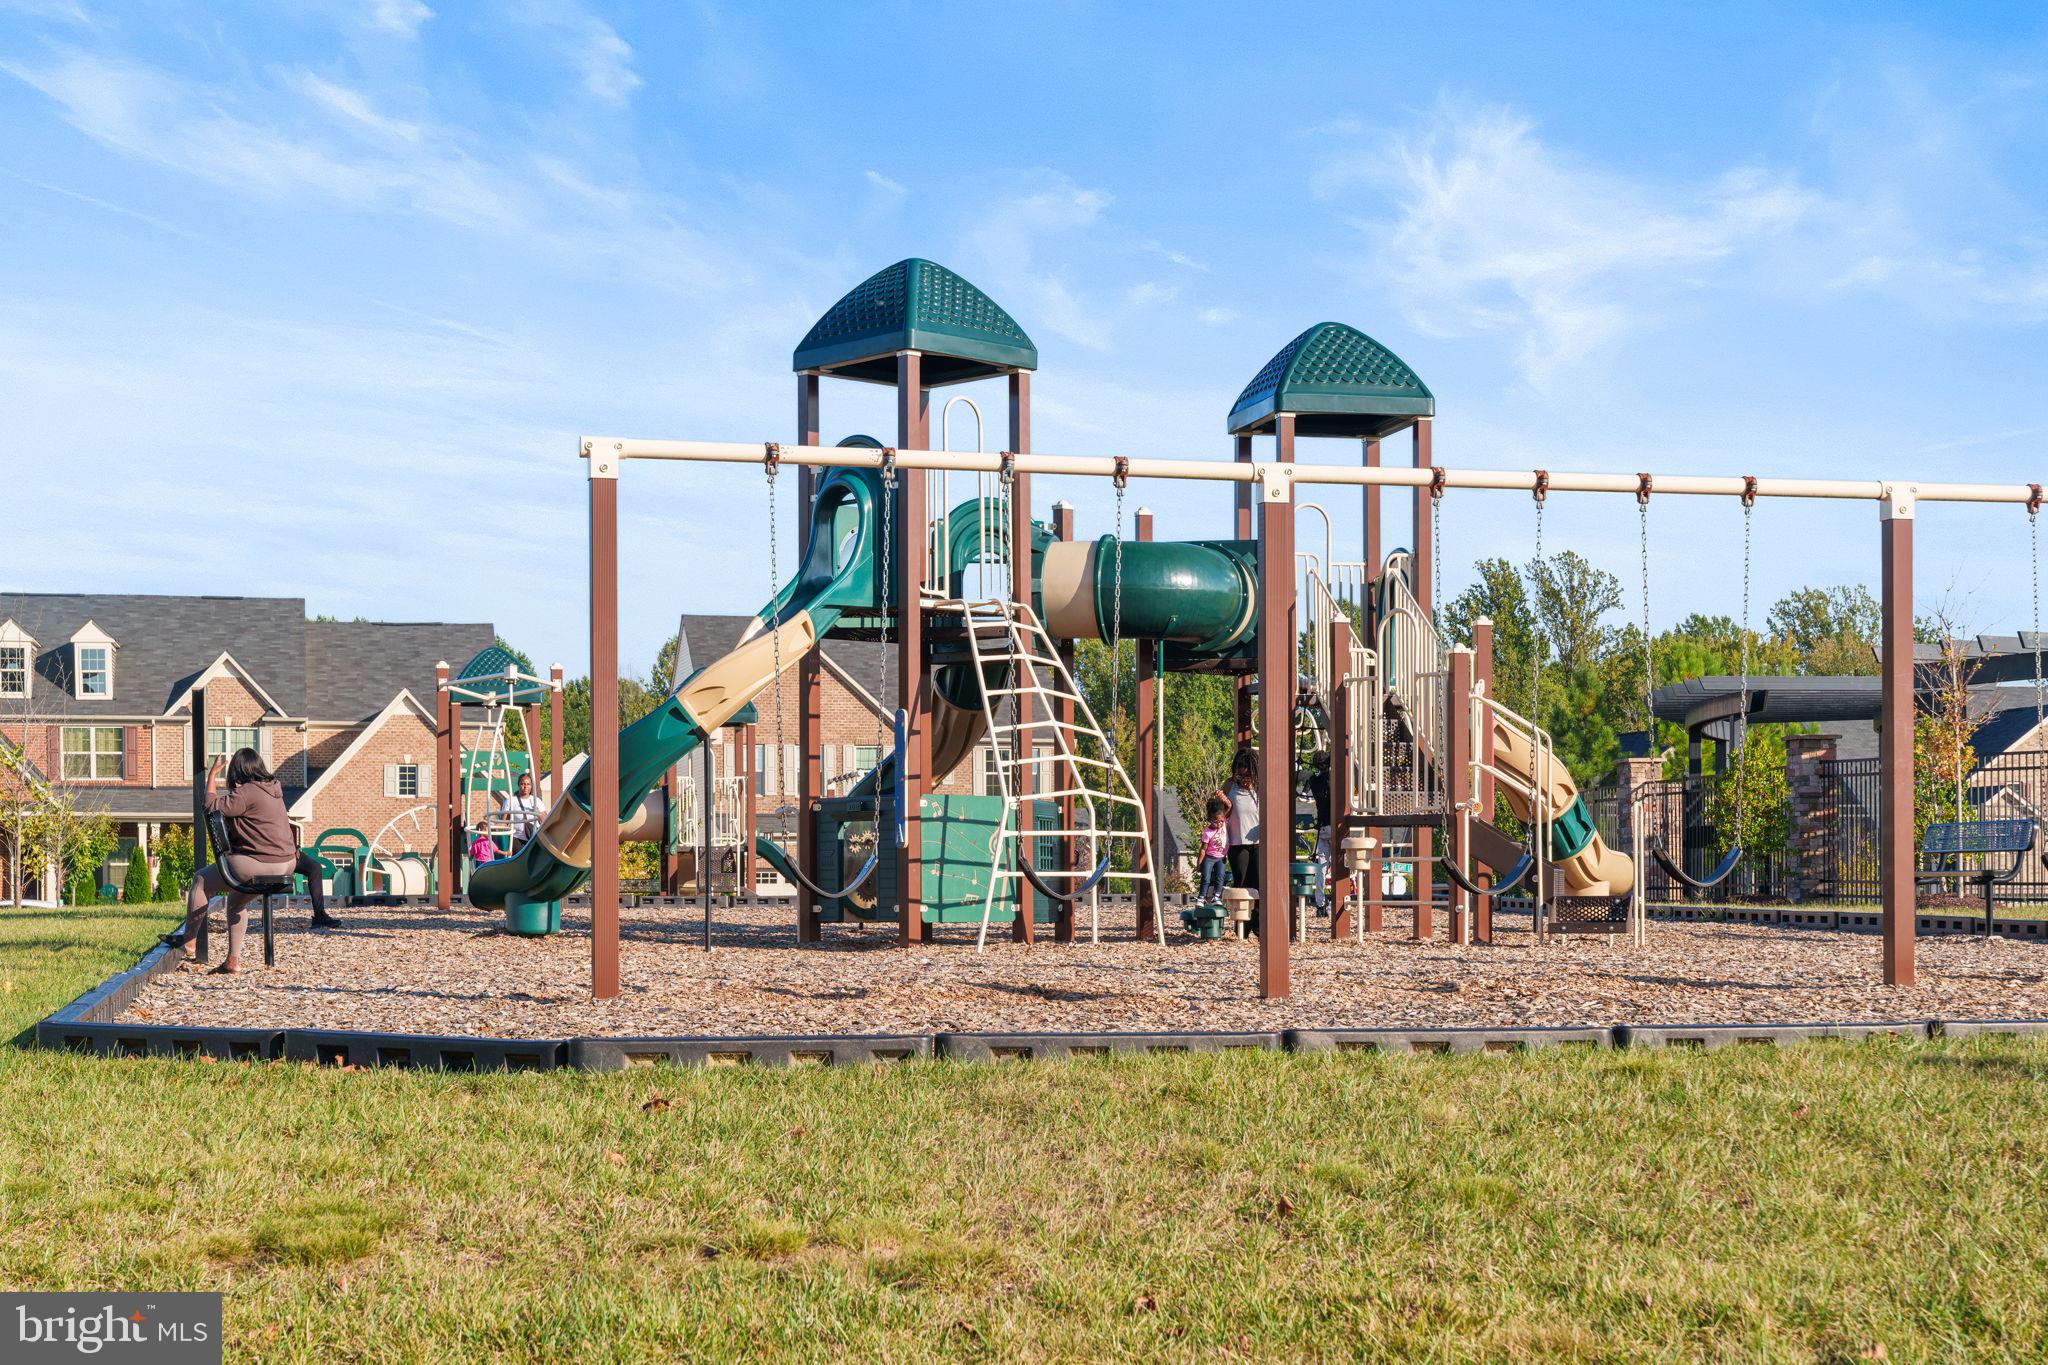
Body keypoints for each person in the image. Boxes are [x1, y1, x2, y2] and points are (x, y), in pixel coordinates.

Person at [160, 748, 299, 974]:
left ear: (238, 770)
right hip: (287, 863)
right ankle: (232, 961)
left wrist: (213, 776)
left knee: (201, 879)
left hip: (260, 863)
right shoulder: (273, 789)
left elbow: (210, 807)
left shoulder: (248, 792)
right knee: (236, 902)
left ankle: (189, 941)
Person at [1222, 744, 1261, 895]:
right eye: (1240, 776)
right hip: (1237, 843)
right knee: (1242, 883)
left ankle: (1258, 917)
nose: (1244, 780)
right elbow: (1218, 815)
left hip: (1258, 843)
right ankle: (1243, 918)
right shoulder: (1229, 785)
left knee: (1258, 883)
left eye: (1247, 777)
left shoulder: (1260, 787)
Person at [1196, 793, 1230, 907]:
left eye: (1221, 821)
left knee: (1220, 876)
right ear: (1210, 820)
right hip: (1209, 858)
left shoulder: (1224, 824)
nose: (1219, 824)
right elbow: (1203, 849)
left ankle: (1216, 896)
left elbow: (1229, 808)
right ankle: (1201, 897)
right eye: (1216, 821)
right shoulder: (1207, 832)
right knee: (1206, 877)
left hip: (1221, 857)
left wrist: (1223, 799)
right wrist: (1199, 863)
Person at [499, 771, 543, 847]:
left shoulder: (537, 801)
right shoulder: (510, 801)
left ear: (531, 786)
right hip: (517, 839)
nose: (525, 786)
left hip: (534, 837)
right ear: (519, 785)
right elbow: (503, 822)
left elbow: (545, 821)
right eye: (523, 784)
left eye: (528, 784)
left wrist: (538, 813)